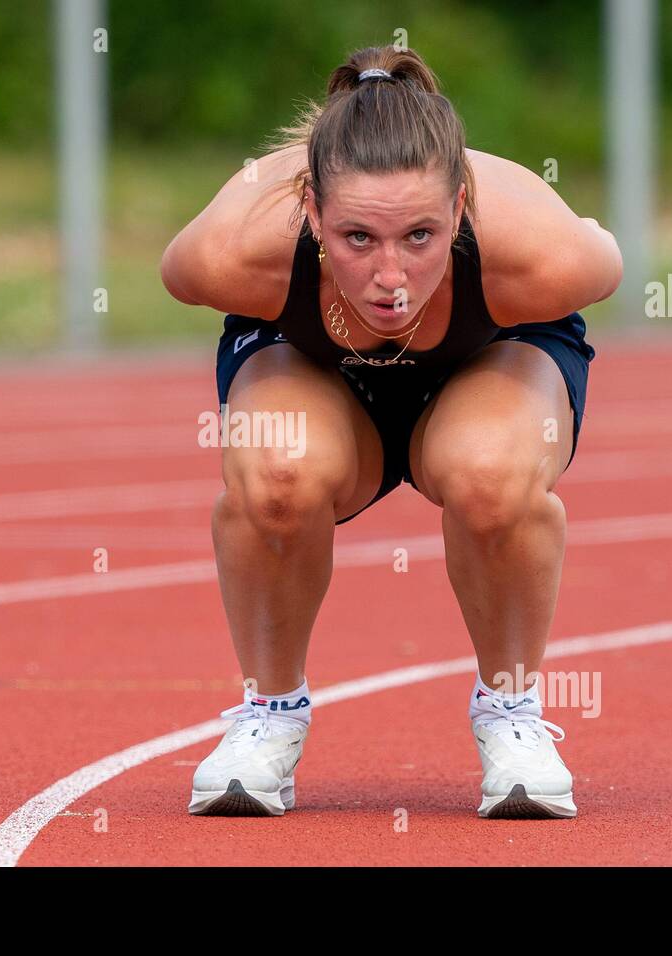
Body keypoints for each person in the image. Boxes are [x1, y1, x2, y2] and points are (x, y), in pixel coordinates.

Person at [160, 46, 621, 819]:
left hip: (490, 358)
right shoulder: (238, 247)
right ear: (309, 213)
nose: (390, 278)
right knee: (278, 471)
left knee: (489, 473)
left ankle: (510, 715)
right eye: (356, 239)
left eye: (420, 236)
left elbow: (605, 256)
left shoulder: (539, 252)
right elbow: (176, 269)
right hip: (314, 367)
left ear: (463, 207)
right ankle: (269, 716)